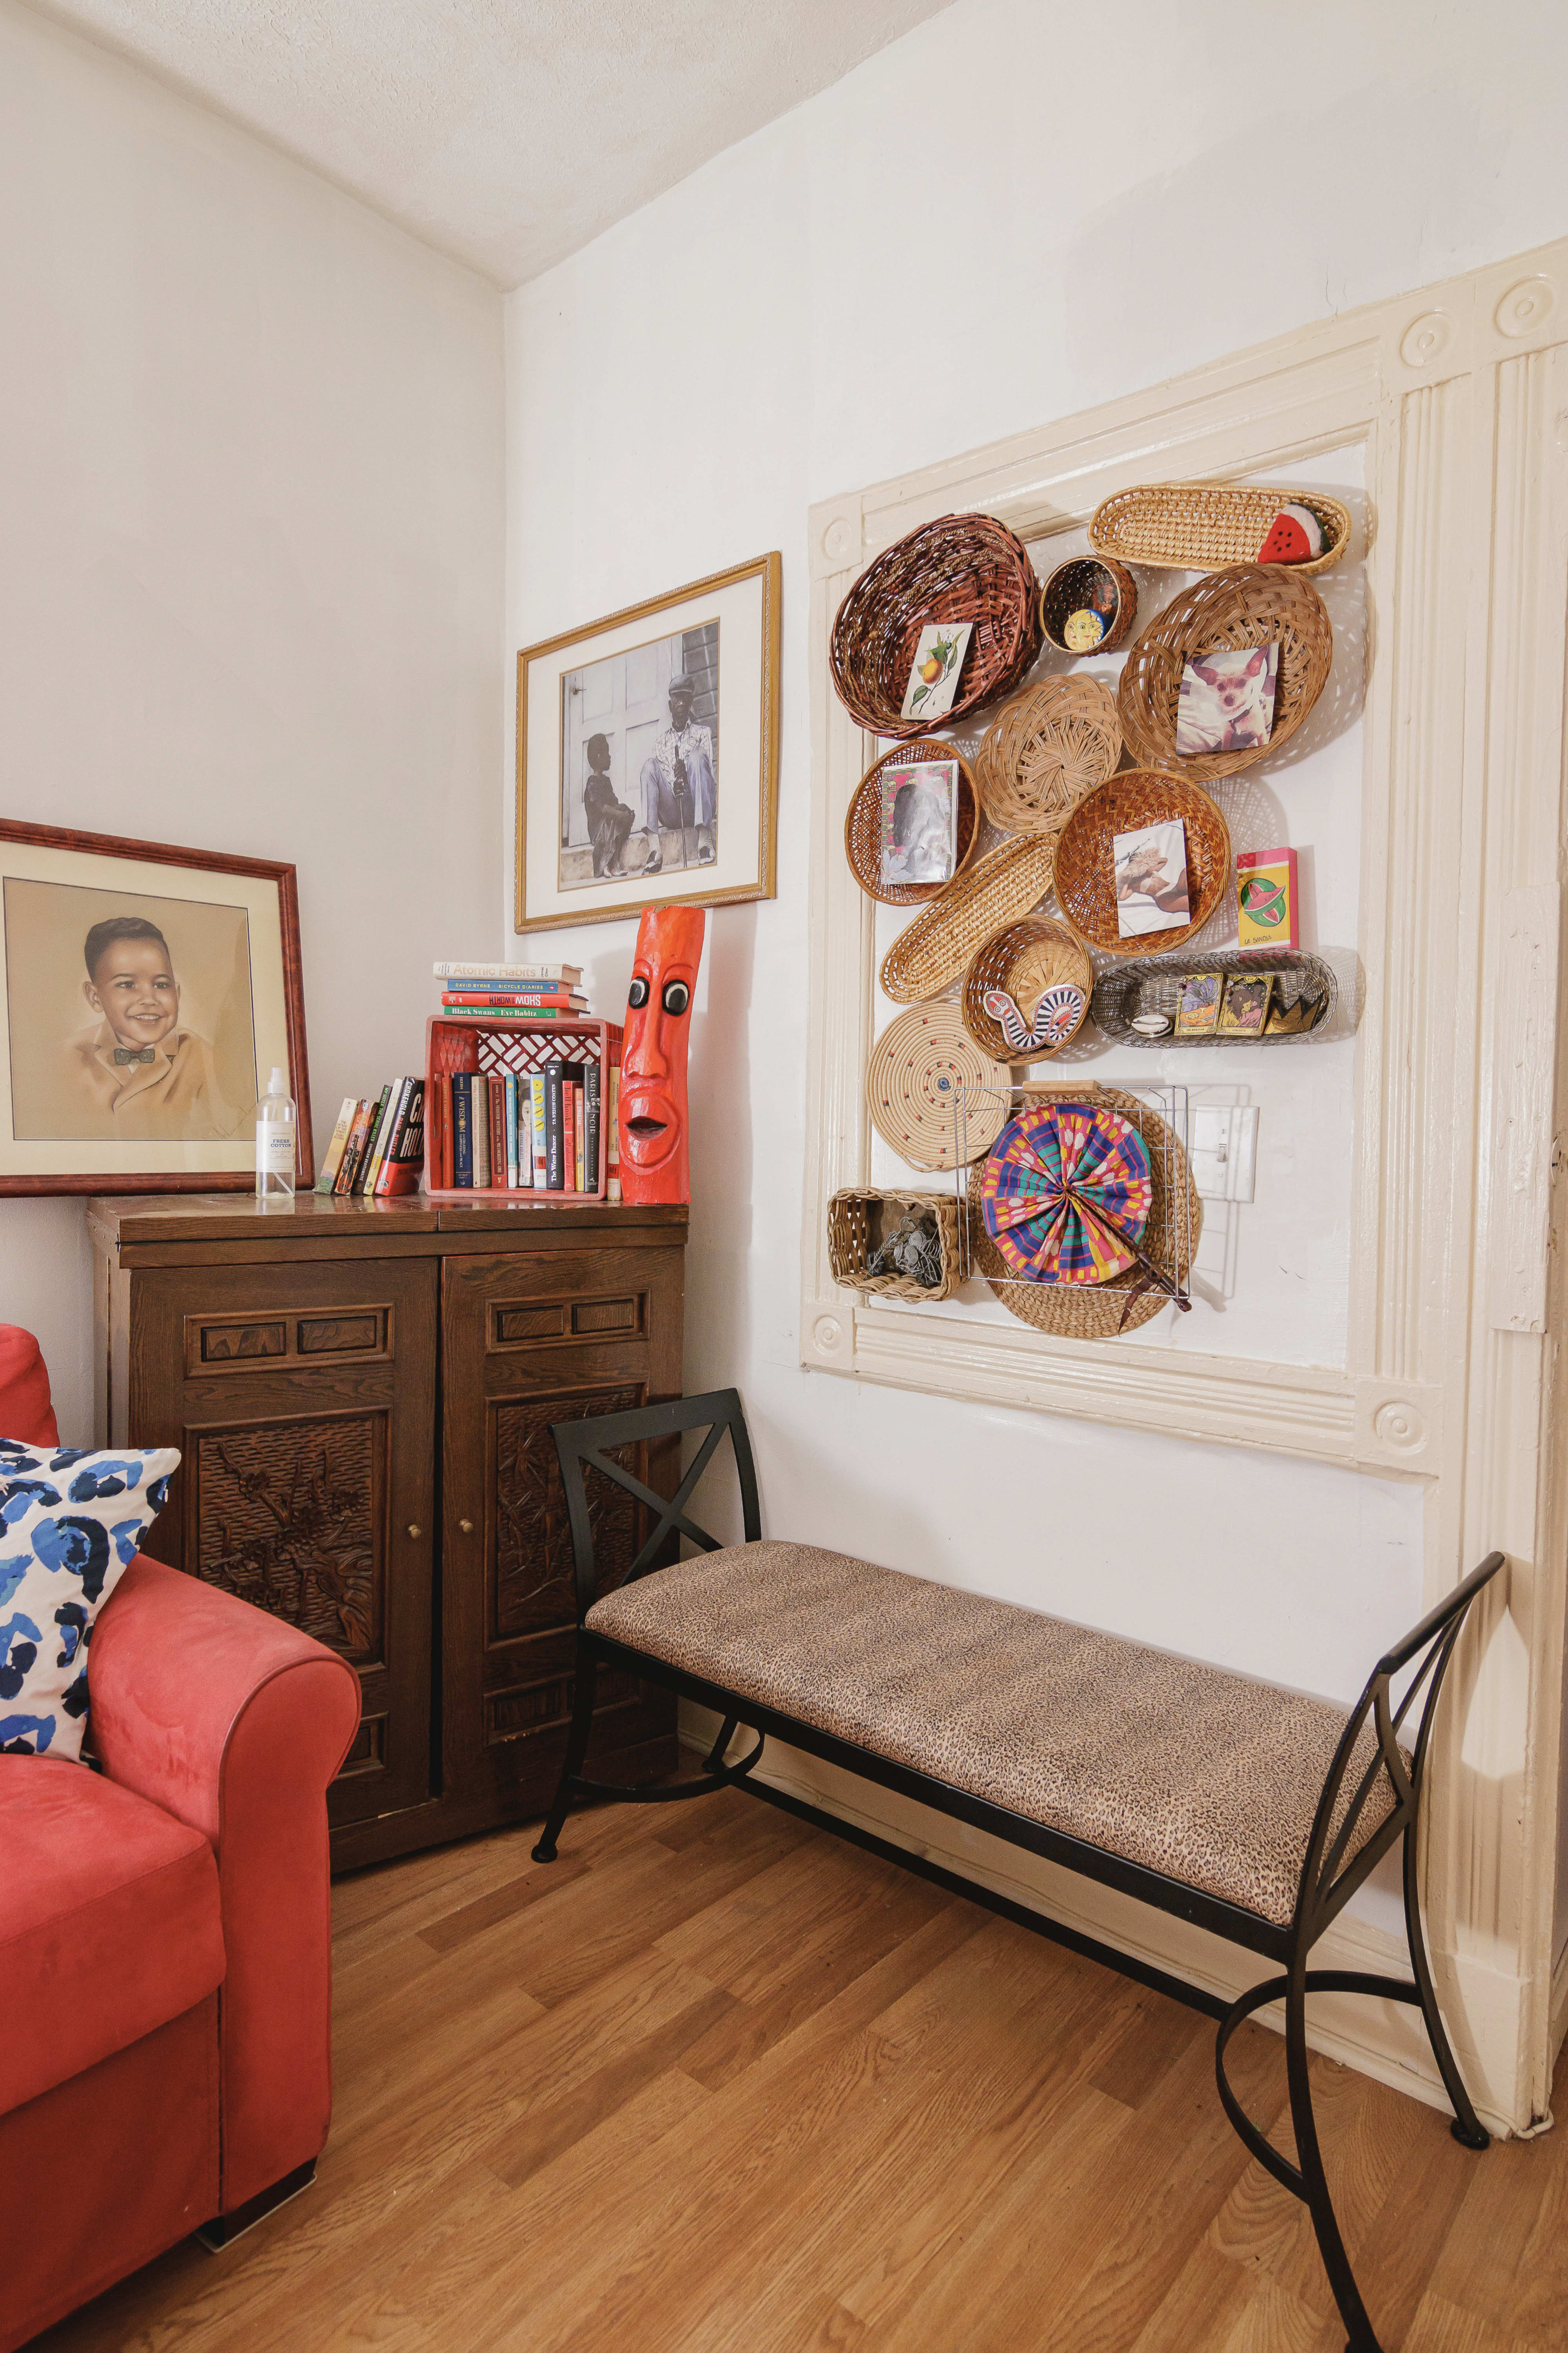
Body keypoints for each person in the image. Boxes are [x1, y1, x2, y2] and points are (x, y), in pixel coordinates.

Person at [60, 917, 235, 1138]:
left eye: (161, 985)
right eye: (127, 985)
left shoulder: (204, 1059)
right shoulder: (68, 1057)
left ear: (177, 994)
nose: (149, 999)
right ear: (95, 997)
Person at [637, 674, 716, 874]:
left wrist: (687, 780)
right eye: (677, 699)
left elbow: (709, 779)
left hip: (695, 806)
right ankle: (655, 849)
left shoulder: (702, 733)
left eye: (685, 698)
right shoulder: (660, 743)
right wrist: (675, 784)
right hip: (673, 812)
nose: (681, 703)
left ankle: (705, 842)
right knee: (649, 766)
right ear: (670, 706)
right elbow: (660, 783)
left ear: (690, 703)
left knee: (698, 755)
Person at [581, 734, 634, 877]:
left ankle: (611, 863)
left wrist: (625, 813)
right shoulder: (592, 783)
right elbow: (602, 809)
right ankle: (607, 864)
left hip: (608, 825)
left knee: (621, 813)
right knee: (613, 820)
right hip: (598, 829)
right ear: (599, 756)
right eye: (607, 754)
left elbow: (614, 803)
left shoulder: (606, 781)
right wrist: (621, 815)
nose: (610, 758)